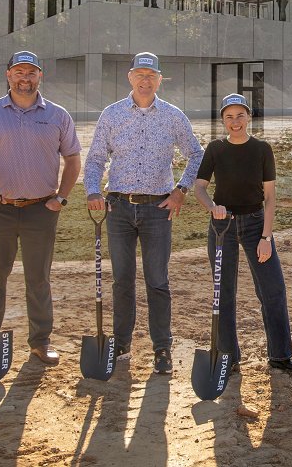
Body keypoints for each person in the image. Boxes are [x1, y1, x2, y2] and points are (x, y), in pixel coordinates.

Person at [84, 52, 204, 374]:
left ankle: (162, 348)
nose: (145, 80)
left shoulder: (173, 116)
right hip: (119, 207)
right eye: (140, 74)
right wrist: (93, 190)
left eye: (152, 75)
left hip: (157, 210)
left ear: (159, 79)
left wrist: (181, 190)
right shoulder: (111, 115)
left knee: (157, 281)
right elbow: (96, 158)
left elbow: (196, 153)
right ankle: (121, 343)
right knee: (122, 280)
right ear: (130, 77)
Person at [0, 51, 81, 368]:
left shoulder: (57, 115)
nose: (24, 77)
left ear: (40, 76)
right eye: (19, 71)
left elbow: (72, 159)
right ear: (9, 75)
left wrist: (62, 197)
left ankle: (40, 341)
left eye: (31, 72)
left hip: (41, 210)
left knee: (38, 278)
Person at [193, 93, 292, 374]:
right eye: (229, 117)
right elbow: (200, 188)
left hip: (255, 224)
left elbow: (270, 198)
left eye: (240, 115)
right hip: (222, 226)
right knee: (224, 292)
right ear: (223, 120)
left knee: (273, 289)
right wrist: (212, 207)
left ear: (249, 117)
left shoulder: (262, 149)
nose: (235, 121)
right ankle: (229, 358)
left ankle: (280, 356)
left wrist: (266, 238)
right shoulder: (215, 149)